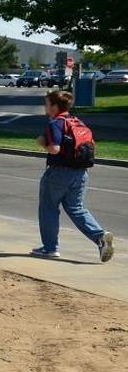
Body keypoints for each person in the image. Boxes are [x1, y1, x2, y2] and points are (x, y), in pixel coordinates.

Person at [32, 90, 114, 262]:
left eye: (47, 104)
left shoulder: (55, 123)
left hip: (58, 173)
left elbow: (55, 149)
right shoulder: (77, 122)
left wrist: (42, 143)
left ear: (54, 107)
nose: (45, 107)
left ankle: (50, 248)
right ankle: (100, 237)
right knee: (76, 208)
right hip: (81, 173)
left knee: (48, 208)